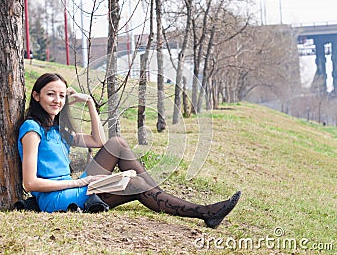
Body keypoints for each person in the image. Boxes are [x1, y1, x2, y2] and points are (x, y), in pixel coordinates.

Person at [17, 72, 241, 229]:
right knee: (135, 184)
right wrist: (79, 182)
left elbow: (98, 140)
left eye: (62, 95)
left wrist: (90, 105)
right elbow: (30, 183)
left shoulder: (57, 129)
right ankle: (203, 212)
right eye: (50, 94)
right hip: (56, 199)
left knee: (116, 143)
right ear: (36, 96)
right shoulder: (32, 130)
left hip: (73, 188)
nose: (57, 100)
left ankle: (157, 195)